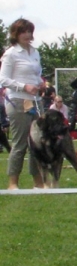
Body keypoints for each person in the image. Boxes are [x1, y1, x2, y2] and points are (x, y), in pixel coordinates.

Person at [0, 18, 45, 190]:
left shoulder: (35, 52)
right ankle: (13, 183)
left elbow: (36, 74)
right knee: (20, 143)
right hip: (17, 100)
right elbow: (3, 79)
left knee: (37, 141)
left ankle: (38, 181)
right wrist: (24, 86)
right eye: (23, 32)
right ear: (16, 34)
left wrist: (39, 83)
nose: (27, 35)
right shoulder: (10, 53)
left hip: (36, 101)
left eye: (29, 31)